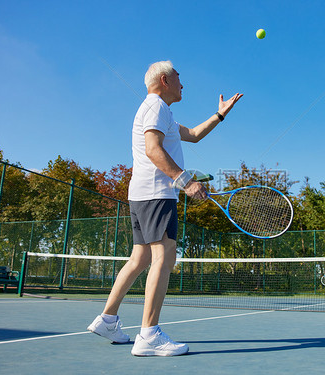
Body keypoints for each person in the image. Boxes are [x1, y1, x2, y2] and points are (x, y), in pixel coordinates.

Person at [87, 61, 243, 356]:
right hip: (157, 194)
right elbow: (152, 149)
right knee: (164, 256)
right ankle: (149, 334)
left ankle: (107, 319)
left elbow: (194, 134)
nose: (183, 85)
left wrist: (220, 115)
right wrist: (185, 181)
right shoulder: (155, 106)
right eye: (179, 79)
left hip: (142, 195)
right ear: (164, 80)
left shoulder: (161, 111)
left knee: (140, 257)